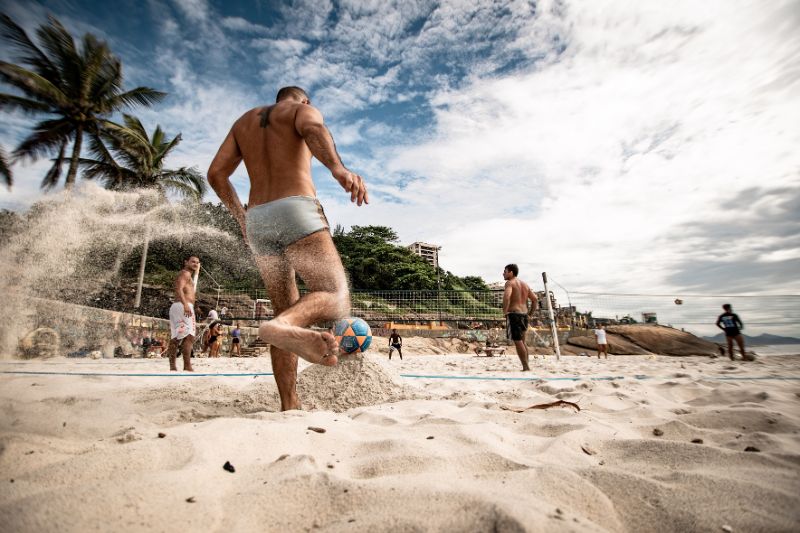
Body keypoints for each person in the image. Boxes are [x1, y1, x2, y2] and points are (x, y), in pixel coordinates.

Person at [208, 86, 368, 411]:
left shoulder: (243, 122)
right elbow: (314, 130)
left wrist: (242, 218)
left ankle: (289, 404)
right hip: (295, 208)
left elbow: (216, 174)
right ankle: (280, 327)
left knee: (285, 311)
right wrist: (338, 168)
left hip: (258, 220)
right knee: (335, 294)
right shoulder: (300, 111)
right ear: (303, 99)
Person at [164, 255, 200, 371]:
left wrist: (197, 271)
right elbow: (178, 288)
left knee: (176, 337)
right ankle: (187, 366)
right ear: (186, 262)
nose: (195, 264)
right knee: (189, 337)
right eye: (193, 262)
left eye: (197, 262)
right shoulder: (185, 273)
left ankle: (173, 367)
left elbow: (188, 288)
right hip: (184, 306)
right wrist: (185, 304)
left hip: (178, 306)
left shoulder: (187, 274)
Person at [502, 264, 538, 371]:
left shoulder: (510, 283)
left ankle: (526, 367)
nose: (503, 273)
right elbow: (535, 299)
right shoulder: (525, 284)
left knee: (518, 341)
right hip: (524, 315)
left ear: (511, 272)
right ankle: (526, 365)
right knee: (522, 341)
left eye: (505, 271)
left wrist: (505, 310)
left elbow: (507, 296)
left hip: (514, 314)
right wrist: (530, 314)